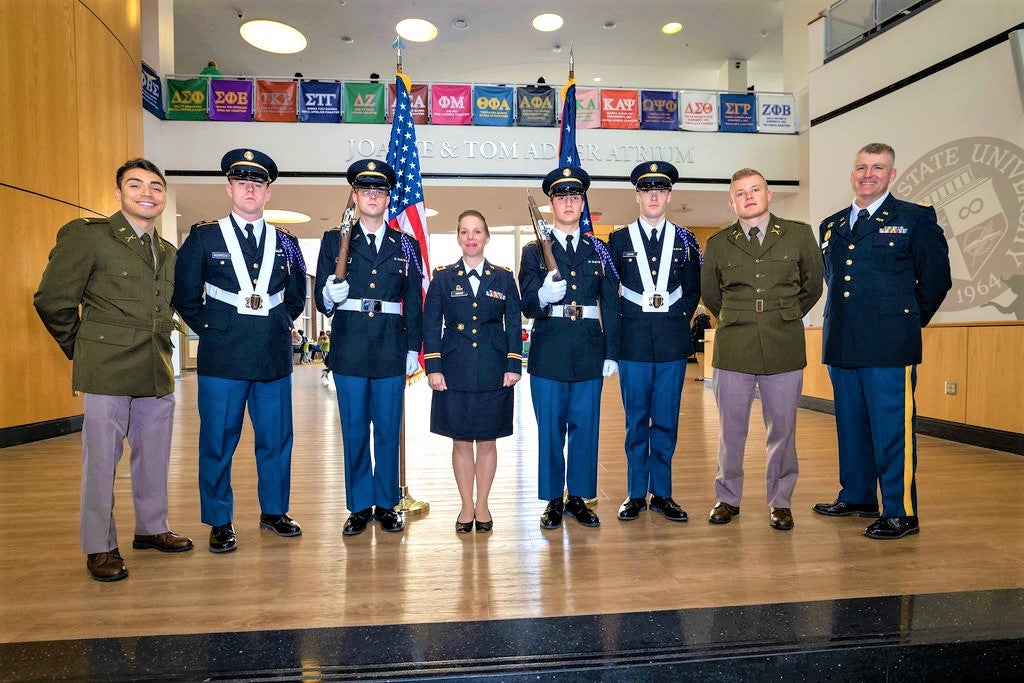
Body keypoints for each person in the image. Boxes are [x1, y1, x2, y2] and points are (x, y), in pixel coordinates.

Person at [34, 158, 193, 582]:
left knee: (154, 455)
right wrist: (84, 349)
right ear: (118, 193)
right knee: (102, 460)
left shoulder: (167, 252)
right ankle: (100, 545)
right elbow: (52, 300)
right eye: (136, 185)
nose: (148, 193)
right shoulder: (89, 238)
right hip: (105, 365)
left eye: (156, 187)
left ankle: (152, 527)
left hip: (155, 363)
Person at [814, 142, 951, 539]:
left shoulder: (915, 218)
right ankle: (857, 495)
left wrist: (905, 322)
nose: (868, 174)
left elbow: (937, 281)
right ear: (852, 174)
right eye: (861, 167)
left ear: (892, 175)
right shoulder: (832, 224)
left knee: (892, 428)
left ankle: (901, 511)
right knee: (851, 425)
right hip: (841, 340)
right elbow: (834, 279)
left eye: (878, 167)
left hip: (890, 344)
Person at [172, 148, 307, 553]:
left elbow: (297, 296)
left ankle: (274, 511)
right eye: (242, 182)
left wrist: (278, 324)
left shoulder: (288, 242)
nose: (250, 189)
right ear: (229, 188)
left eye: (258, 183)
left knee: (276, 439)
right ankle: (219, 519)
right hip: (222, 359)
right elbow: (185, 295)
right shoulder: (204, 236)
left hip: (272, 356)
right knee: (218, 440)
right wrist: (214, 330)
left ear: (268, 194)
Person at [701, 168, 824, 531]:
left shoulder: (798, 235)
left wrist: (784, 316)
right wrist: (740, 316)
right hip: (734, 344)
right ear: (731, 201)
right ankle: (727, 497)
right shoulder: (719, 243)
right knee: (731, 430)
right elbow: (711, 295)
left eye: (755, 190)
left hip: (783, 342)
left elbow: (813, 286)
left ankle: (781, 501)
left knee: (783, 429)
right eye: (740, 193)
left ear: (769, 194)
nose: (749, 197)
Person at [315, 159, 424, 536]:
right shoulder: (335, 239)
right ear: (356, 196)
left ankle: (388, 502)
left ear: (388, 197)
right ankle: (360, 505)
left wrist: (414, 348)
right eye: (365, 190)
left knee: (388, 428)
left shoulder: (405, 244)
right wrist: (329, 294)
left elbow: (414, 298)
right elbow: (319, 299)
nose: (372, 196)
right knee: (355, 429)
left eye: (379, 190)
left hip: (392, 346)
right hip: (350, 346)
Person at [519, 166, 620, 529]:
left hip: (589, 350)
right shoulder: (534, 251)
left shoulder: (600, 250)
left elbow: (611, 304)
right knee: (550, 429)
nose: (568, 203)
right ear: (551, 203)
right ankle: (552, 500)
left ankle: (578, 496)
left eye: (575, 197)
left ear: (582, 204)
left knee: (585, 427)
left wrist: (612, 351)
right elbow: (527, 304)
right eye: (561, 197)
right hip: (549, 351)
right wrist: (544, 296)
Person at [607, 161, 702, 524]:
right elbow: (609, 295)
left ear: (669, 196)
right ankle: (635, 493)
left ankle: (662, 493)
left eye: (660, 190)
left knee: (665, 421)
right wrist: (613, 346)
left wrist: (678, 316)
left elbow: (694, 289)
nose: (653, 195)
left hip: (672, 343)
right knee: (635, 422)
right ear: (637, 196)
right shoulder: (616, 240)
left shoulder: (687, 240)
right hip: (632, 345)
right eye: (647, 189)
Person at [424, 210, 523, 533]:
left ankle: (484, 505)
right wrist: (433, 367)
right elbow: (431, 323)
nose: (471, 238)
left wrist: (513, 363)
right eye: (465, 232)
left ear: (487, 237)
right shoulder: (443, 277)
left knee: (489, 442)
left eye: (477, 231)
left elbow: (513, 324)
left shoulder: (504, 277)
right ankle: (466, 505)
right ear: (457, 237)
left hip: (494, 370)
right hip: (454, 369)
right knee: (461, 442)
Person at [690, 305, 712, 382]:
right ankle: (703, 375)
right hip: (703, 343)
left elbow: (699, 331)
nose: (695, 312)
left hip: (700, 343)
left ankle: (702, 376)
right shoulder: (705, 319)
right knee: (702, 360)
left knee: (701, 361)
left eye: (696, 310)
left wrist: (692, 335)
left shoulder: (700, 319)